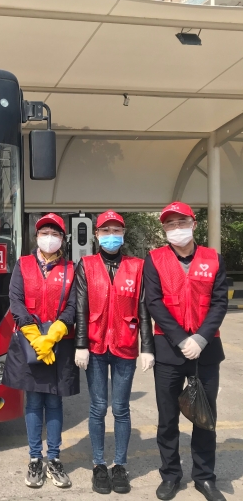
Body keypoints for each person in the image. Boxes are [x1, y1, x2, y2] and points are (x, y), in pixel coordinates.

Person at [144, 202, 228, 501]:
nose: (176, 228)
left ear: (194, 224)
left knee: (204, 416)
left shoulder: (213, 258)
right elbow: (154, 303)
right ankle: (170, 475)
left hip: (206, 350)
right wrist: (181, 339)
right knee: (168, 418)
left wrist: (201, 339)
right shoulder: (154, 259)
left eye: (182, 222)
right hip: (169, 350)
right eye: (170, 224)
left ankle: (204, 477)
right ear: (164, 229)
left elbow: (219, 302)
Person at [75, 210, 154, 495]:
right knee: (97, 408)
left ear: (123, 234)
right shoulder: (86, 265)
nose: (111, 235)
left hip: (125, 345)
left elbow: (143, 308)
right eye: (105, 230)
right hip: (95, 346)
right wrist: (81, 344)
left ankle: (120, 464)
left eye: (116, 230)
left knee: (121, 408)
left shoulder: (137, 267)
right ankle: (99, 464)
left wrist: (147, 347)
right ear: (96, 235)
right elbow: (81, 307)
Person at [3, 213, 79, 489]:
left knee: (55, 402)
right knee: (34, 401)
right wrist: (34, 335)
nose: (49, 238)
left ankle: (54, 458)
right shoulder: (22, 265)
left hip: (60, 343)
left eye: (55, 233)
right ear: (36, 237)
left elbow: (74, 305)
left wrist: (56, 331)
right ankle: (35, 458)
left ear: (62, 238)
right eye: (44, 232)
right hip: (30, 341)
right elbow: (15, 300)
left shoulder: (72, 269)